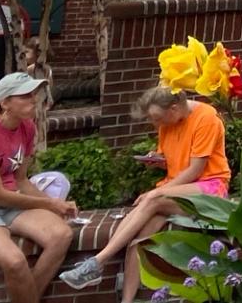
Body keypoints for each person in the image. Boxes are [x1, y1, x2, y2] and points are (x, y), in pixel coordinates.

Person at [60, 86, 231, 300]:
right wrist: (157, 160)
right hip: (174, 192)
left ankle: (98, 261)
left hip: (210, 187)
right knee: (140, 239)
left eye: (157, 118)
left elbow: (195, 169)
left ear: (174, 108)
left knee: (151, 199)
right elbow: (173, 159)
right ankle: (127, 299)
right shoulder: (168, 121)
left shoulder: (206, 118)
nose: (155, 124)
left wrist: (155, 193)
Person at [0, 73, 74, 303]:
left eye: (33, 94)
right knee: (14, 261)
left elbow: (21, 181)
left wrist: (56, 206)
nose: (33, 100)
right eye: (24, 96)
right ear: (5, 103)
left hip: (13, 202)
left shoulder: (27, 128)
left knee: (61, 234)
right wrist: (49, 202)